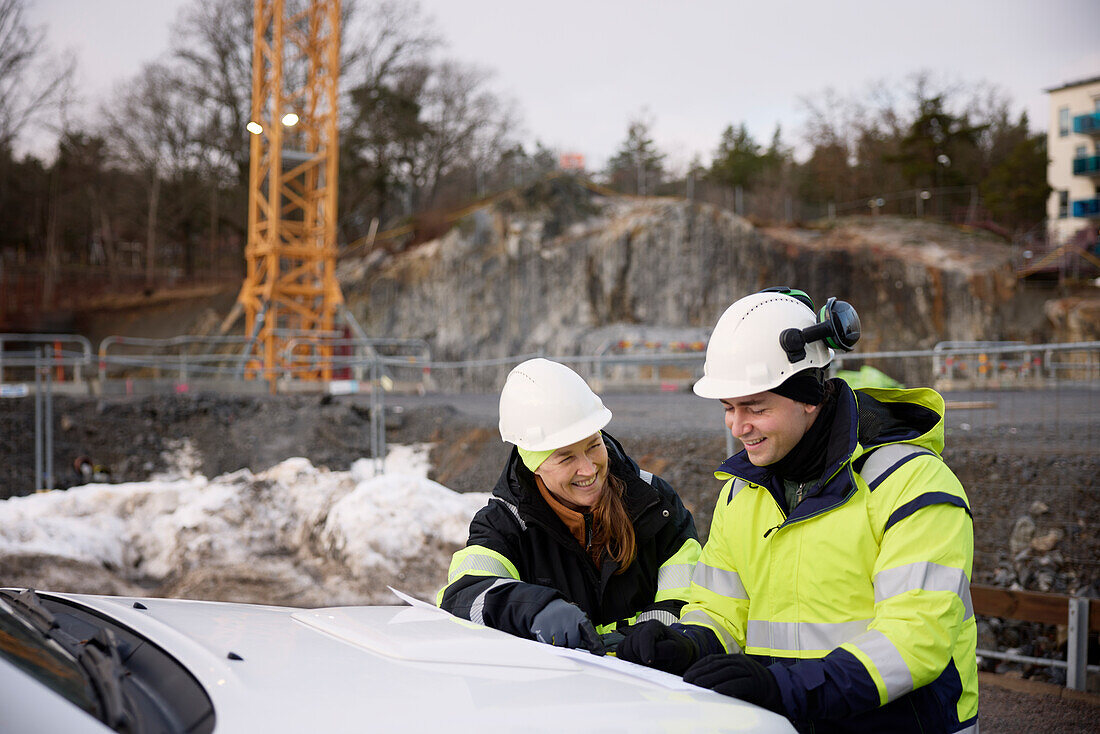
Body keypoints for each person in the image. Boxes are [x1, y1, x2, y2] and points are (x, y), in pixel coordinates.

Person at [618, 289, 978, 733]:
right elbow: (720, 607)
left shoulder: (911, 483)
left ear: (809, 397)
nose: (737, 426)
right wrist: (688, 643)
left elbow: (914, 641)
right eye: (729, 408)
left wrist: (782, 687)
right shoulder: (742, 492)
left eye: (755, 407)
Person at [437, 357, 701, 654]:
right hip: (560, 694)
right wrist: (535, 608)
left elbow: (687, 596)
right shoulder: (505, 523)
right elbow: (465, 594)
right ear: (534, 464)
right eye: (566, 458)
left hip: (648, 683)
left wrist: (649, 639)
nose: (588, 469)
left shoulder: (653, 502)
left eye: (593, 445)